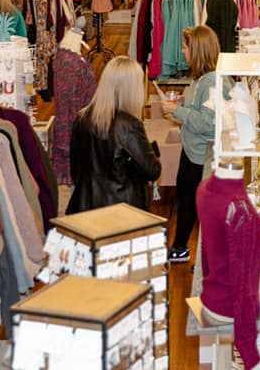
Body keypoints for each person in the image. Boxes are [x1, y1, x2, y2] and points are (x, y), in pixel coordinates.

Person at [67, 56, 163, 214]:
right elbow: (153, 170)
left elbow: (76, 169)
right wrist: (151, 151)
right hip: (122, 213)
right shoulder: (129, 125)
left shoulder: (81, 119)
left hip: (85, 208)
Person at [163, 26, 225, 263]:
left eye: (186, 47)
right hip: (191, 152)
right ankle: (180, 247)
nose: (182, 50)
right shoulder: (202, 79)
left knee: (193, 204)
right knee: (186, 202)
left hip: (200, 156)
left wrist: (178, 110)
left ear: (197, 51)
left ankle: (185, 250)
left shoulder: (212, 83)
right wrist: (184, 103)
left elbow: (208, 122)